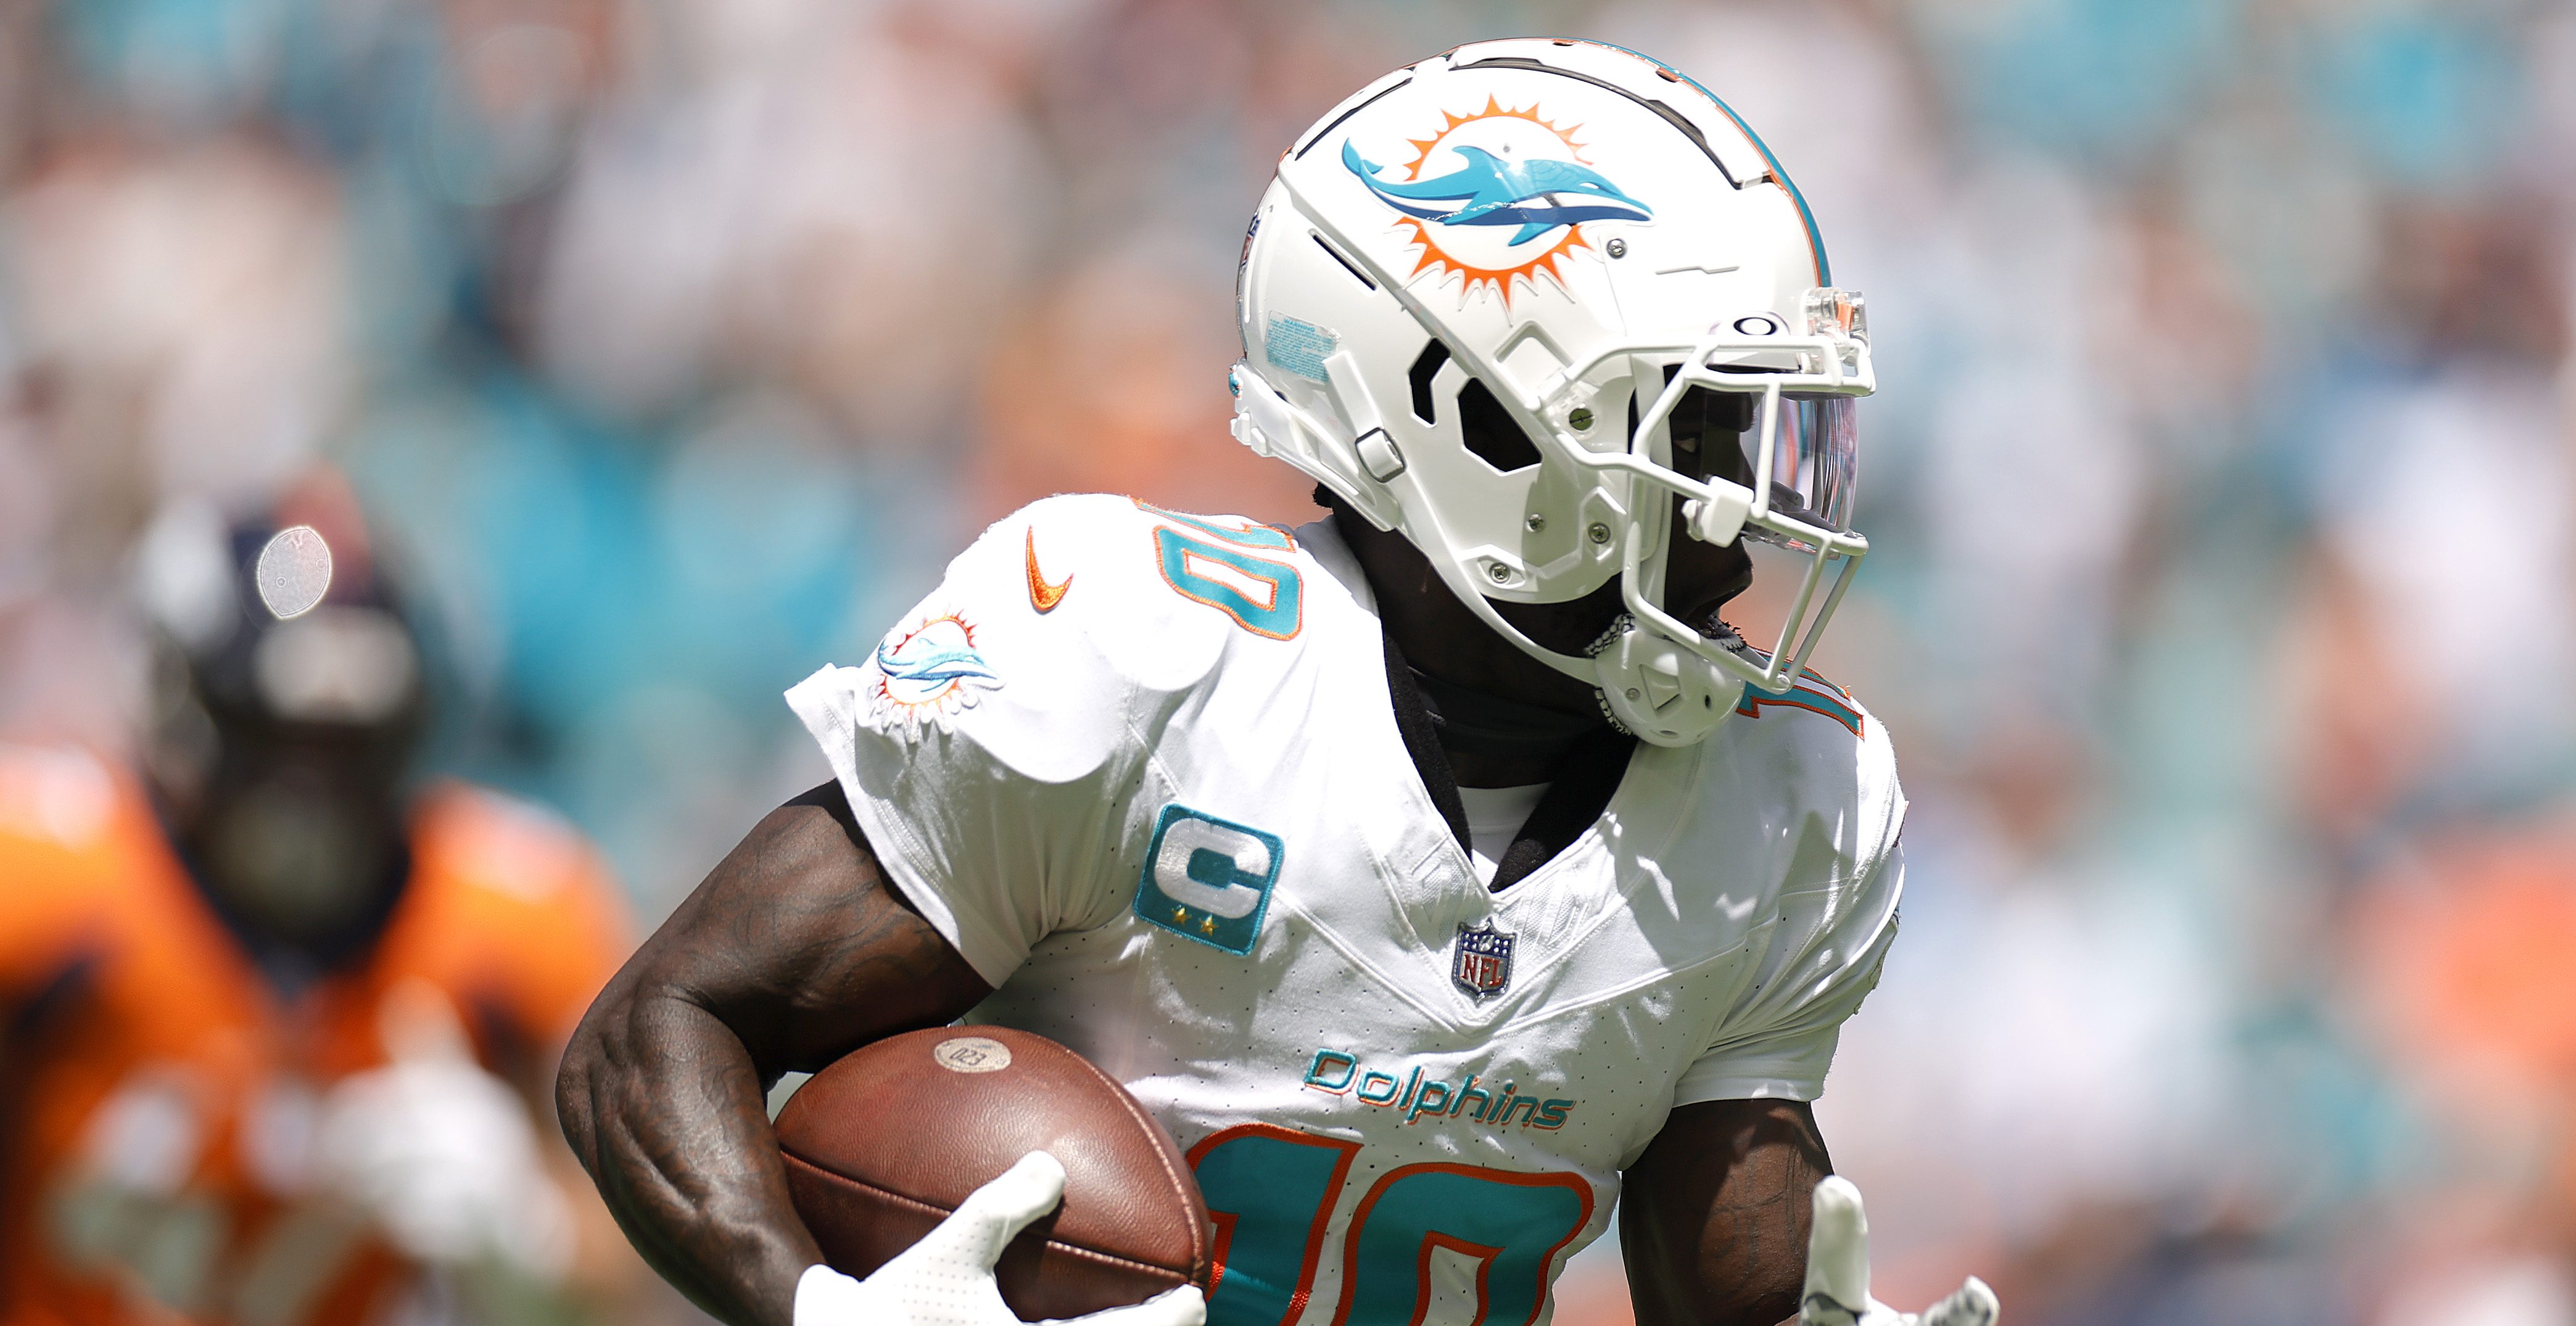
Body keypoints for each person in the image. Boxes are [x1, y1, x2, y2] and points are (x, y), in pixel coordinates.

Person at [557, 39, 1997, 1326]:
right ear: (1477, 427)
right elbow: (659, 1034)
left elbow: (1726, 1271)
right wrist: (817, 1308)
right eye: (1698, 437)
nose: (1748, 518)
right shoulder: (1149, 662)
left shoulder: (1789, 795)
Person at [0, 477, 634, 1325]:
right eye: (273, 736)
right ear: (179, 706)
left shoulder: (511, 909)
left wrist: (532, 1239)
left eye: (351, 746)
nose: (314, 797)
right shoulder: (49, 876)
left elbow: (629, 1269)